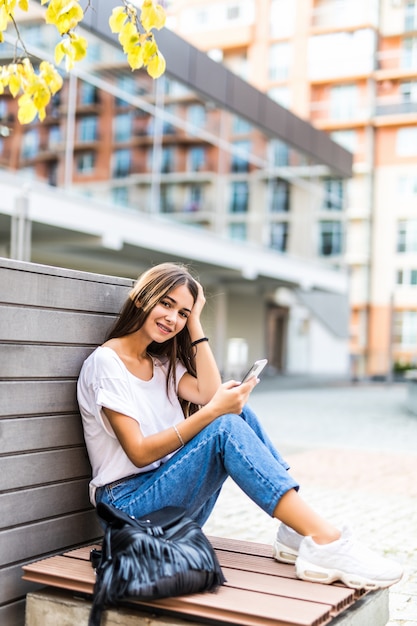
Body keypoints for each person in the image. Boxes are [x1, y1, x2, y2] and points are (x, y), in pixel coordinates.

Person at [77, 262, 403, 590]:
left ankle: (295, 530)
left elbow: (208, 392)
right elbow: (138, 452)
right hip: (127, 509)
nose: (173, 319)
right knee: (224, 427)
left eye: (183, 313)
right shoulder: (107, 364)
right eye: (166, 304)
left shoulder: (161, 364)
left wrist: (197, 322)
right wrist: (214, 411)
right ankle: (327, 541)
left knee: (236, 415)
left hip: (165, 505)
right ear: (141, 299)